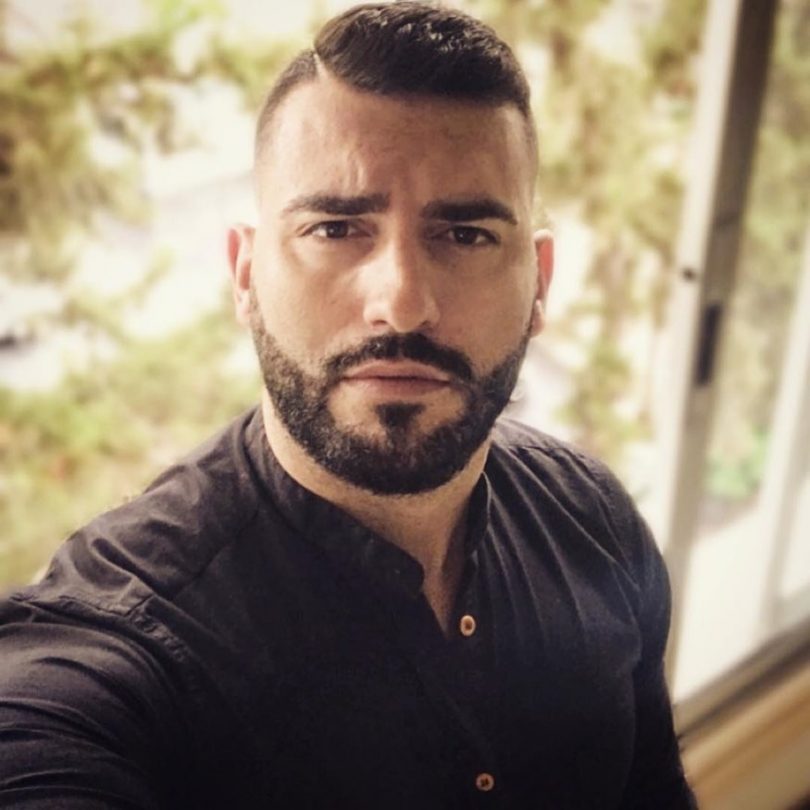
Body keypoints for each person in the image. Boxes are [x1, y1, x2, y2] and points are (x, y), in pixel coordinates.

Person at [0, 3, 697, 808]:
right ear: (246, 275)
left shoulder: (593, 519)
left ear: (539, 283)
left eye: (466, 234)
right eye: (335, 229)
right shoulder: (122, 640)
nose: (401, 303)